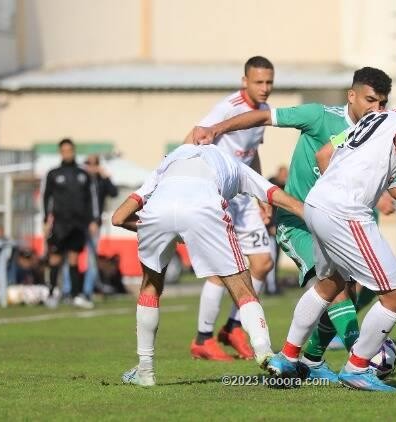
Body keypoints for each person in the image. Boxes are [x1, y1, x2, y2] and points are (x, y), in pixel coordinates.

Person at [192, 67, 396, 381]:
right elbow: (263, 117)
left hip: (339, 222)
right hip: (298, 221)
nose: (376, 109)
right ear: (351, 96)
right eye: (371, 100)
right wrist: (216, 129)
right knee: (334, 287)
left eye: (382, 103)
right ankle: (360, 360)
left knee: (366, 288)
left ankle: (312, 360)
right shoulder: (318, 116)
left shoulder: (378, 130)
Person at [265, 79, 396, 391]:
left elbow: (389, 183)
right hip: (346, 212)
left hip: (317, 204)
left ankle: (287, 356)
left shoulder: (381, 117)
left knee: (329, 285)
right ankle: (357, 368)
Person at [112, 143, 304, 386]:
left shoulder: (167, 163)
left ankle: (145, 371)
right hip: (204, 208)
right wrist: (307, 213)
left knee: (150, 286)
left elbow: (118, 218)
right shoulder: (236, 165)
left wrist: (164, 229)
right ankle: (265, 352)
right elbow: (274, 195)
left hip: (156, 211)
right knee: (241, 285)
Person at [183, 56, 276, 361]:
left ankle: (234, 327)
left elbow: (252, 153)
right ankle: (203, 338)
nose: (265, 88)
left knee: (262, 263)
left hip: (245, 197)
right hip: (218, 196)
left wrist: (262, 196)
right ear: (244, 81)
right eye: (259, 82)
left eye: (269, 82)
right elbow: (195, 134)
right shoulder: (228, 108)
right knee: (222, 268)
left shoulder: (263, 111)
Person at [42, 138, 94, 309]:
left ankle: (75, 295)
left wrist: (93, 220)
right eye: (64, 150)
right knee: (55, 258)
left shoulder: (83, 174)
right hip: (59, 223)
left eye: (69, 150)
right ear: (60, 152)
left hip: (78, 224)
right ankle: (51, 294)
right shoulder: (53, 174)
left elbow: (90, 200)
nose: (67, 153)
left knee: (74, 258)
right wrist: (45, 220)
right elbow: (46, 198)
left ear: (74, 151)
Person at [82, 154, 118, 302]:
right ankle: (69, 291)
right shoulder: (81, 180)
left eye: (93, 164)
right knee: (71, 258)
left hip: (94, 225)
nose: (90, 167)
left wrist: (106, 176)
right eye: (88, 164)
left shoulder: (100, 181)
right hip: (79, 224)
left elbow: (114, 192)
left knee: (91, 259)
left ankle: (87, 291)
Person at [265, 166, 288, 295]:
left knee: (276, 259)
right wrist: (270, 227)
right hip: (270, 231)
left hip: (278, 230)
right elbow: (268, 208)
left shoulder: (284, 188)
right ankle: (271, 288)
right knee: (271, 260)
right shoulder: (271, 185)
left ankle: (273, 285)